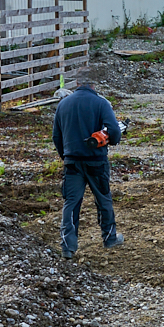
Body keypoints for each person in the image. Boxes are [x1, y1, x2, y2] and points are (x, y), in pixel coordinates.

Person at [53, 69, 125, 258]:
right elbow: (114, 132)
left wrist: (65, 156)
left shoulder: (63, 104)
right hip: (96, 162)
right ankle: (109, 238)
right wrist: (110, 140)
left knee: (71, 202)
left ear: (77, 82)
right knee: (103, 199)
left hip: (72, 162)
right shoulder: (101, 103)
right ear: (94, 83)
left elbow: (56, 136)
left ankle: (68, 247)